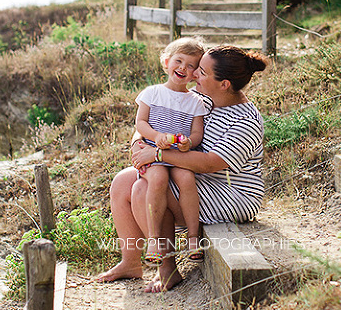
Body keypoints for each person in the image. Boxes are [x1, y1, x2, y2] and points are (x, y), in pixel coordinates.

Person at [95, 44, 268, 293]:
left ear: (224, 84)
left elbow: (209, 163)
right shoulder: (204, 99)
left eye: (202, 72)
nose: (194, 74)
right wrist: (138, 142)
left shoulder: (245, 122)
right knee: (122, 182)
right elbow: (151, 120)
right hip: (198, 178)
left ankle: (167, 269)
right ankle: (130, 262)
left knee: (144, 189)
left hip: (231, 194)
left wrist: (157, 154)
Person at [134, 37, 207, 266]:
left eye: (191, 65)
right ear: (166, 62)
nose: (183, 68)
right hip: (153, 152)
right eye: (179, 61)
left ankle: (193, 237)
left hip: (180, 156)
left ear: (196, 73)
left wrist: (189, 143)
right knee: (157, 178)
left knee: (186, 179)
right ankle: (154, 239)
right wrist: (156, 136)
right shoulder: (152, 93)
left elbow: (197, 133)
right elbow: (140, 123)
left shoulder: (196, 102)